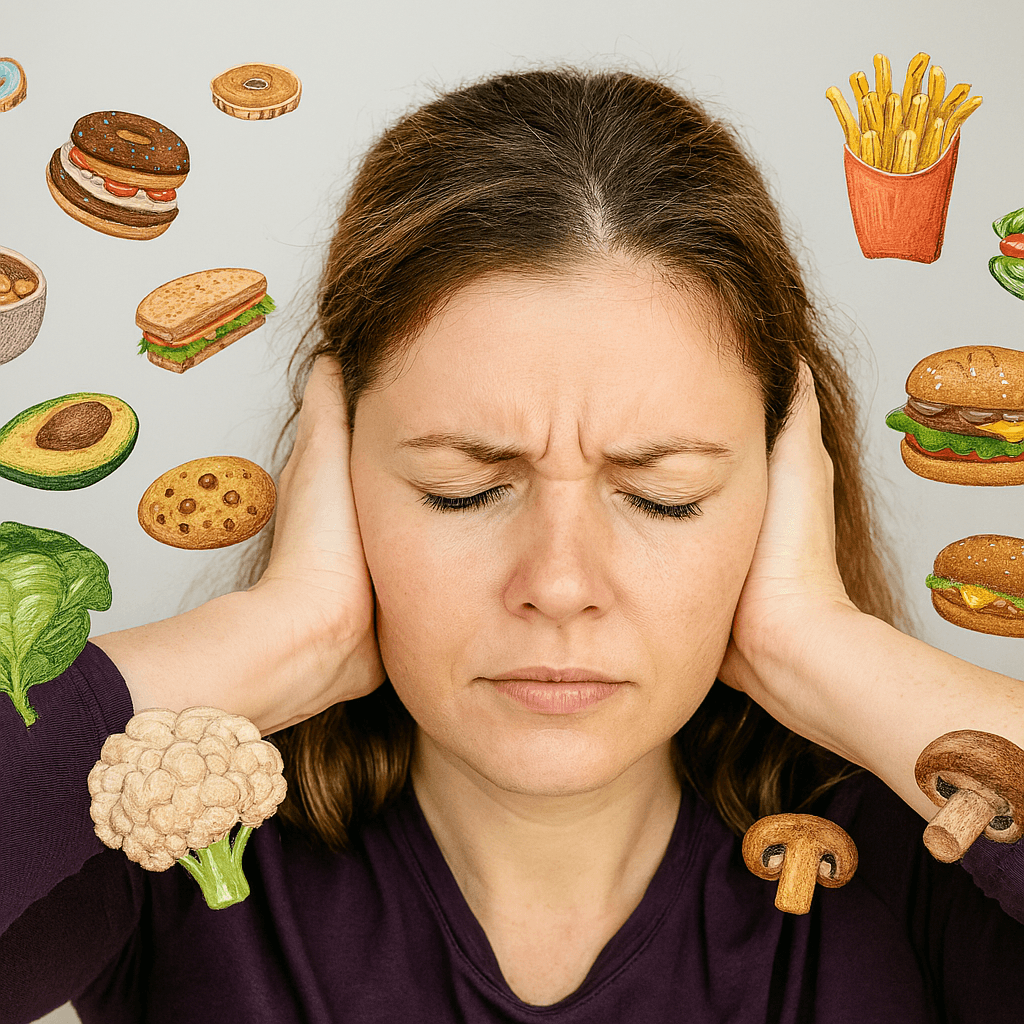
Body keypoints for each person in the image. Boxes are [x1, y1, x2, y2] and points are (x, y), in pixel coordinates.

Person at [4, 65, 1024, 1024]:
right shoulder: (167, 839)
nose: (560, 583)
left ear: (783, 485)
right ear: (338, 470)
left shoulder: (931, 856)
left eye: (664, 495)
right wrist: (280, 633)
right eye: (464, 489)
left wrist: (821, 649)